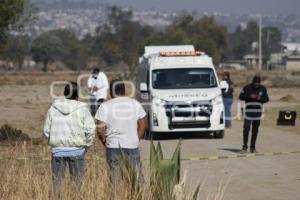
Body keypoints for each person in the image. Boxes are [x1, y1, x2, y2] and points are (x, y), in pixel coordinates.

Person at [43, 81, 96, 195]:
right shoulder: (83, 109)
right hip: (77, 151)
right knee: (77, 185)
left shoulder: (53, 109)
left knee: (56, 184)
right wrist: (86, 146)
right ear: (77, 95)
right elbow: (91, 130)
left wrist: (54, 143)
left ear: (65, 94)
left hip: (57, 152)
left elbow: (46, 131)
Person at [95, 80, 146, 187]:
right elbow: (142, 124)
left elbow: (100, 128)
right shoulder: (135, 104)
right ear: (124, 90)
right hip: (132, 146)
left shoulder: (105, 106)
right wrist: (136, 139)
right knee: (136, 181)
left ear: (111, 92)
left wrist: (105, 141)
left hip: (113, 147)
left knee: (115, 183)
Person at [239, 75, 269, 153]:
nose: (256, 85)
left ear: (259, 82)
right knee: (246, 128)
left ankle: (253, 148)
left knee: (255, 130)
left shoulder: (263, 88)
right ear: (253, 82)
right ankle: (244, 147)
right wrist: (249, 96)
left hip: (257, 112)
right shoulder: (247, 87)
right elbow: (241, 96)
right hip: (248, 111)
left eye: (258, 83)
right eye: (255, 83)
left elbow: (267, 99)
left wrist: (260, 98)